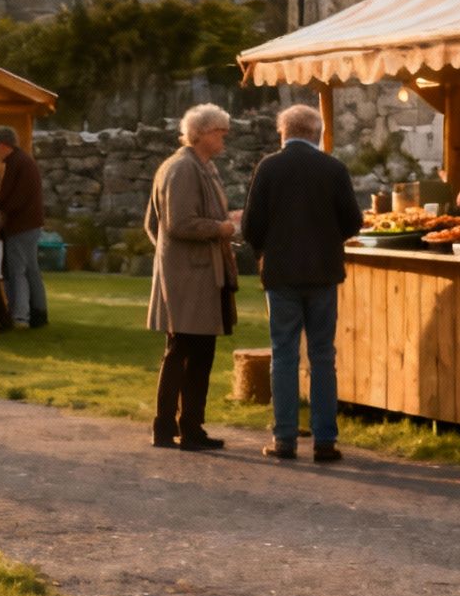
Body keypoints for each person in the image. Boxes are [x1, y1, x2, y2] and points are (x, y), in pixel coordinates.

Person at [241, 105, 362, 463]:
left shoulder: (269, 168)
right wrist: (328, 239)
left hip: (281, 274)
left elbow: (251, 227)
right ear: (317, 132)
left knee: (284, 355)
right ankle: (325, 440)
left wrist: (269, 247)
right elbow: (353, 221)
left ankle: (285, 438)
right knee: (323, 356)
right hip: (323, 273)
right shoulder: (333, 168)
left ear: (283, 132)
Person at [145, 104, 240, 451]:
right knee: (183, 351)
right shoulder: (184, 168)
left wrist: (222, 221)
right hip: (190, 279)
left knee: (197, 352)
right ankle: (169, 427)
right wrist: (220, 228)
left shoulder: (200, 167)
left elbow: (156, 226)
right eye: (220, 131)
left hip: (195, 275)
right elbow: (177, 223)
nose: (224, 137)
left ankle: (188, 427)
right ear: (200, 133)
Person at [0, 125, 48, 329]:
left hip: (21, 225)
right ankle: (38, 313)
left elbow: (10, 198)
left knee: (18, 271)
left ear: (2, 145)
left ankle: (20, 317)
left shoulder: (16, 163)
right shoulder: (24, 161)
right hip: (30, 224)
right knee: (31, 271)